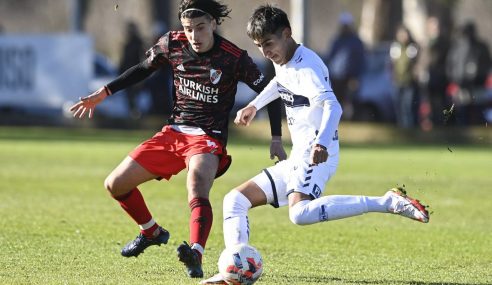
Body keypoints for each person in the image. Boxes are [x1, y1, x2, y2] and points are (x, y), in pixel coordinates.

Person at [200, 5, 429, 284]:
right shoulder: (283, 58)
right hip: (299, 153)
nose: (265, 52)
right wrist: (253, 105)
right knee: (235, 200)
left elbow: (334, 107)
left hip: (317, 153)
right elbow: (280, 82)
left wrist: (321, 143)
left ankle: (386, 202)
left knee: (300, 214)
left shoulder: (309, 66)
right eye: (259, 46)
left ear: (287, 34)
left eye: (268, 44)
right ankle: (233, 272)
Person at [69, 0, 287, 279]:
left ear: (213, 24)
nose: (194, 36)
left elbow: (271, 93)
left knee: (196, 186)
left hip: (209, 137)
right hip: (174, 132)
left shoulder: (233, 57)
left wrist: (276, 138)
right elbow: (142, 68)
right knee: (114, 184)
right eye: (188, 29)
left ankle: (195, 251)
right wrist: (105, 92)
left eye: (200, 28)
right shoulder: (171, 44)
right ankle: (150, 231)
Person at [445, 21, 491, 125]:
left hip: (478, 84)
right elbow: (450, 65)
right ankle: (464, 135)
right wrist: (454, 79)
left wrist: (480, 76)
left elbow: (487, 64)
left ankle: (479, 135)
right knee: (462, 111)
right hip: (461, 84)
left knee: (478, 111)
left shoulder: (481, 47)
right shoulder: (456, 47)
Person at [324, 12, 365, 120]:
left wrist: (356, 77)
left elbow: (360, 61)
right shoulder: (336, 41)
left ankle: (348, 120)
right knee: (336, 100)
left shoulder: (356, 42)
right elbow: (330, 58)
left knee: (348, 101)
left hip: (350, 76)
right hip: (336, 76)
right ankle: (337, 120)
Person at [390, 25, 420, 128]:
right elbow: (391, 65)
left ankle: (409, 127)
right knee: (398, 106)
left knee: (408, 105)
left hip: (409, 82)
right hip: (397, 81)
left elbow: (415, 64)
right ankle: (401, 126)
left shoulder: (412, 48)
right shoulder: (395, 48)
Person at [119, 21, 145, 118]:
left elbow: (143, 60)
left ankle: (137, 115)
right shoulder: (127, 44)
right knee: (129, 97)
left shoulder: (138, 43)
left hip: (136, 74)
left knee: (135, 98)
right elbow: (124, 61)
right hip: (127, 75)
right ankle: (132, 115)